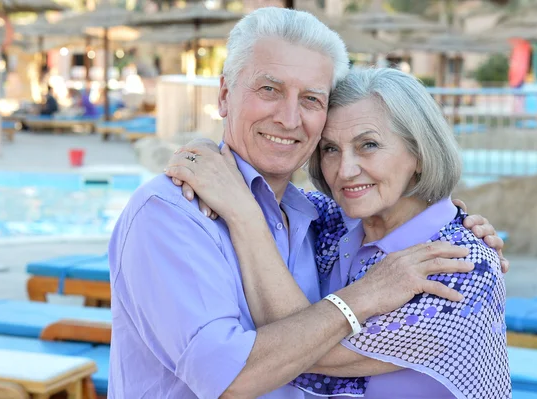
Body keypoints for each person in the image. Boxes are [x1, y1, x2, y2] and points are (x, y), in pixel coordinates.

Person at [108, 8, 506, 399]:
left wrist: (456, 220)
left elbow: (323, 359)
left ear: (419, 153)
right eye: (270, 89)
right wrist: (365, 294)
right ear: (225, 94)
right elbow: (228, 377)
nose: (289, 117)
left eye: (312, 99)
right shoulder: (176, 213)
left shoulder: (448, 258)